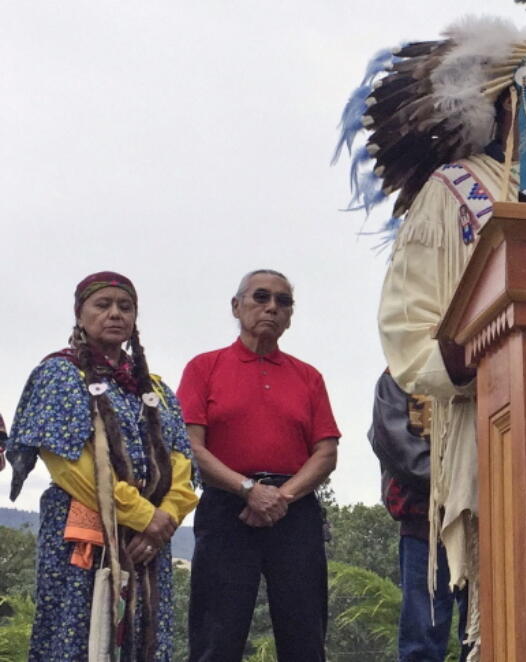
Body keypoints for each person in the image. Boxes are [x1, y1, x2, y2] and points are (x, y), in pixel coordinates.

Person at [335, 16, 526, 656]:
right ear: (517, 93)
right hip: (499, 417)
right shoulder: (456, 191)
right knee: (505, 604)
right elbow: (407, 320)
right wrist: (470, 357)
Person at [6, 271, 198, 661]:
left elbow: (182, 462)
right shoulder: (60, 374)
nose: (115, 314)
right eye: (103, 305)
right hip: (83, 535)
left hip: (148, 543)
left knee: (144, 633)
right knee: (77, 632)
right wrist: (144, 514)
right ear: (80, 314)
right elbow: (70, 464)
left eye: (125, 307)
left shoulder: (155, 388)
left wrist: (164, 519)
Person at [178, 269, 340, 662]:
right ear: (236, 306)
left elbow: (326, 452)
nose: (271, 307)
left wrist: (280, 496)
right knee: (217, 632)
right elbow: (188, 445)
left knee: (305, 633)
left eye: (283, 301)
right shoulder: (204, 368)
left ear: (290, 315)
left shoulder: (308, 377)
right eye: (261, 297)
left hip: (294, 507)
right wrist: (248, 490)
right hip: (225, 506)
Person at [369, 370, 470, 662]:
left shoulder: (480, 360)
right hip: (423, 523)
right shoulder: (399, 375)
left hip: (481, 523)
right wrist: (458, 485)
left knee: (481, 635)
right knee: (422, 640)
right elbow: (395, 444)